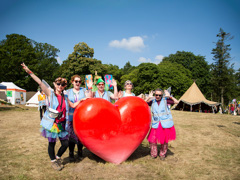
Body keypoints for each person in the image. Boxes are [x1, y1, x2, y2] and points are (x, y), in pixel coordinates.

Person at [21, 63, 69, 171]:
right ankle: (53, 162)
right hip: (52, 123)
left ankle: (57, 157)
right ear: (54, 84)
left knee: (65, 143)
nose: (60, 86)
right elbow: (39, 81)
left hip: (61, 123)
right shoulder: (50, 93)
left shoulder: (65, 96)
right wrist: (29, 71)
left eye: (62, 85)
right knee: (51, 143)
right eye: (58, 84)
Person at [145, 88, 179, 160]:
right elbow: (143, 103)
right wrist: (148, 97)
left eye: (159, 95)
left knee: (164, 140)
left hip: (165, 124)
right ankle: (153, 154)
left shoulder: (166, 100)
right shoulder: (152, 101)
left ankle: (162, 154)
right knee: (152, 140)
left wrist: (170, 96)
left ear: (162, 95)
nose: (158, 96)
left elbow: (177, 102)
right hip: (155, 124)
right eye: (156, 95)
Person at [66, 75, 92, 162]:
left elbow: (90, 98)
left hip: (81, 117)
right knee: (71, 136)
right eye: (76, 81)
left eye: (79, 81)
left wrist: (90, 88)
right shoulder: (68, 92)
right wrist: (81, 100)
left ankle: (80, 152)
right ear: (72, 82)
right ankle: (71, 153)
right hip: (70, 117)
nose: (78, 83)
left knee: (80, 136)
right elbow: (70, 104)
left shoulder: (84, 90)